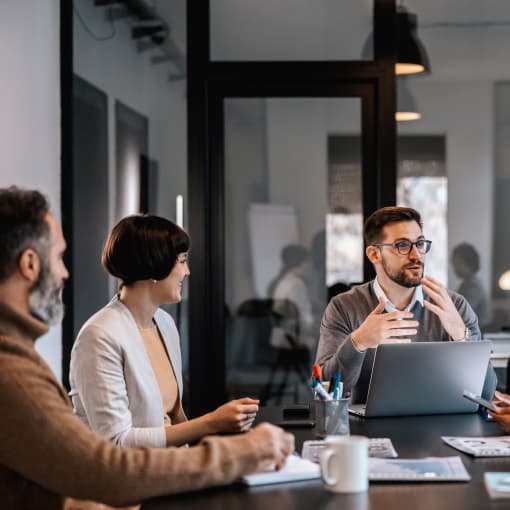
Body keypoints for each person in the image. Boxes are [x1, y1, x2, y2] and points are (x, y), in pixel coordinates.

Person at [0, 186, 294, 509]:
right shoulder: (18, 369)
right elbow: (106, 465)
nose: (65, 271)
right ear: (29, 263)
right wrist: (239, 450)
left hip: (160, 485)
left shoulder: (164, 325)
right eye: (57, 257)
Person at [70, 215, 260, 448]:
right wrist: (212, 423)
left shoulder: (164, 322)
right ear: (155, 265)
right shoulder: (98, 336)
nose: (187, 271)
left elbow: (172, 418)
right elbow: (117, 441)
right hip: (128, 479)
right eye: (182, 261)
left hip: (170, 466)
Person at [315, 206, 496, 403]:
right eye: (402, 245)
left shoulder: (454, 306)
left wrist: (461, 336)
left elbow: (486, 395)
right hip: (367, 430)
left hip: (439, 428)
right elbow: (324, 390)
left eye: (419, 244)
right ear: (374, 255)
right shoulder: (344, 307)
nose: (416, 255)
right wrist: (358, 342)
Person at [267, 244, 315, 351]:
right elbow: (298, 318)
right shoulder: (296, 284)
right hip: (292, 340)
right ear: (300, 263)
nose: (311, 264)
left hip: (281, 337)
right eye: (308, 260)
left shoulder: (284, 281)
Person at [451, 242, 490, 329]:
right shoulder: (465, 284)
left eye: (459, 264)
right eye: (454, 264)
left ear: (469, 264)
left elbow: (462, 312)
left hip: (478, 334)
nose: (455, 268)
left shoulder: (474, 286)